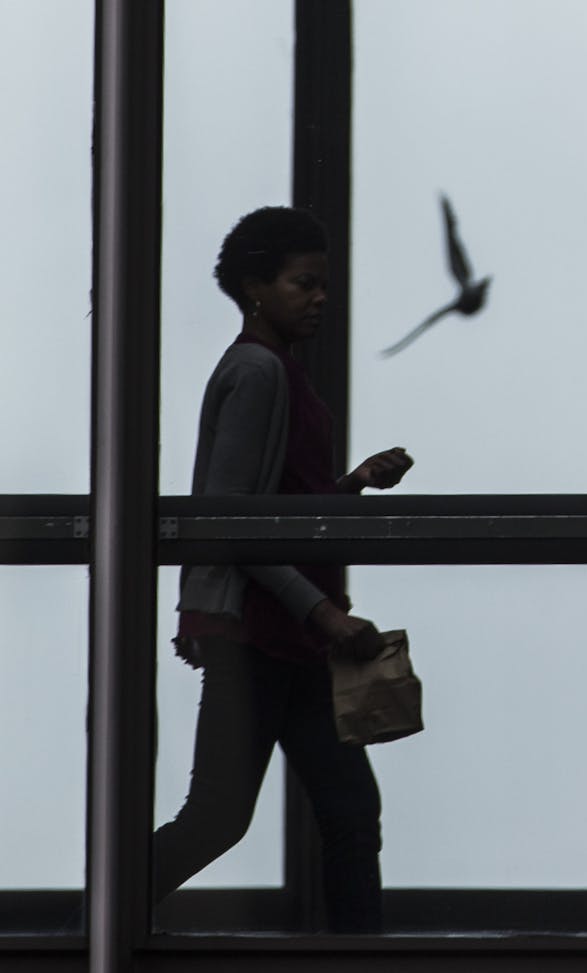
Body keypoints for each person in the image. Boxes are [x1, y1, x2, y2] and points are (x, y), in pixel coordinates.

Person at [153, 206, 414, 933]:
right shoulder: (259, 372)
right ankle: (92, 927)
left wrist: (351, 483)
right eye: (305, 283)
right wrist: (325, 613)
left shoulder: (273, 372)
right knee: (228, 817)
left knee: (346, 813)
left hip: (284, 638)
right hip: (265, 636)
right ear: (255, 287)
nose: (320, 297)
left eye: (323, 284)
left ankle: (95, 921)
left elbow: (275, 507)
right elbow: (230, 519)